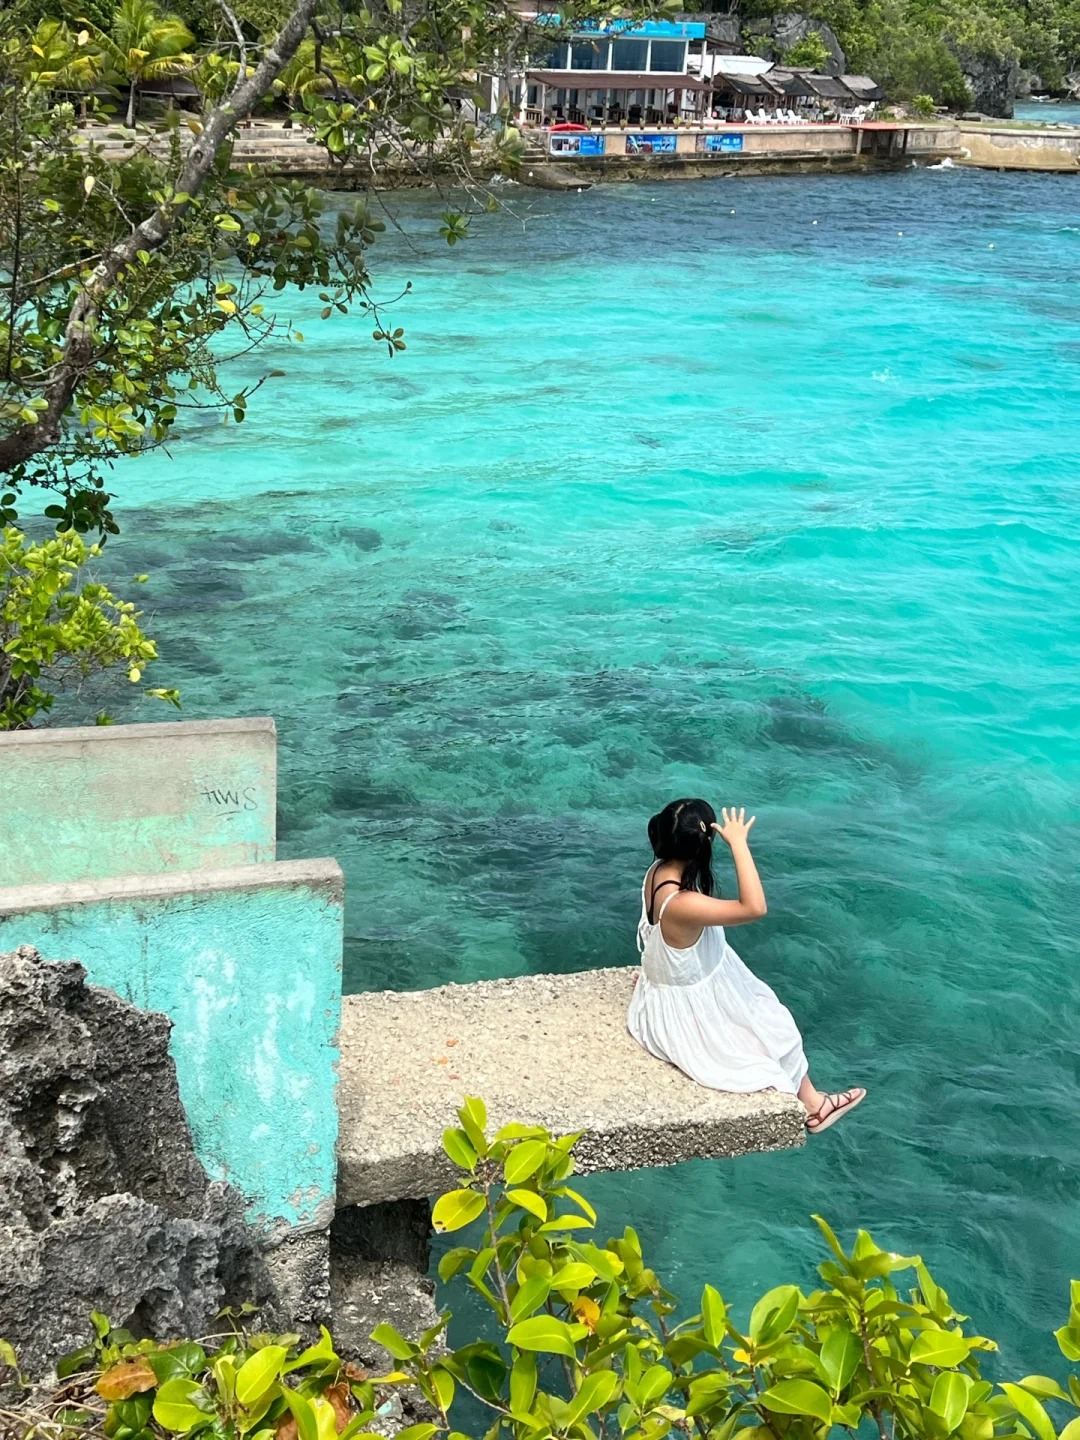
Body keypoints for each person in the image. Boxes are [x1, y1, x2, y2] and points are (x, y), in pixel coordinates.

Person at [627, 798, 865, 1134]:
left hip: (667, 984)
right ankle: (815, 1107)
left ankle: (814, 1102)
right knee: (777, 1030)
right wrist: (739, 845)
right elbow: (754, 907)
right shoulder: (683, 903)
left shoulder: (658, 873)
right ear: (705, 843)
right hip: (684, 1011)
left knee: (766, 1012)